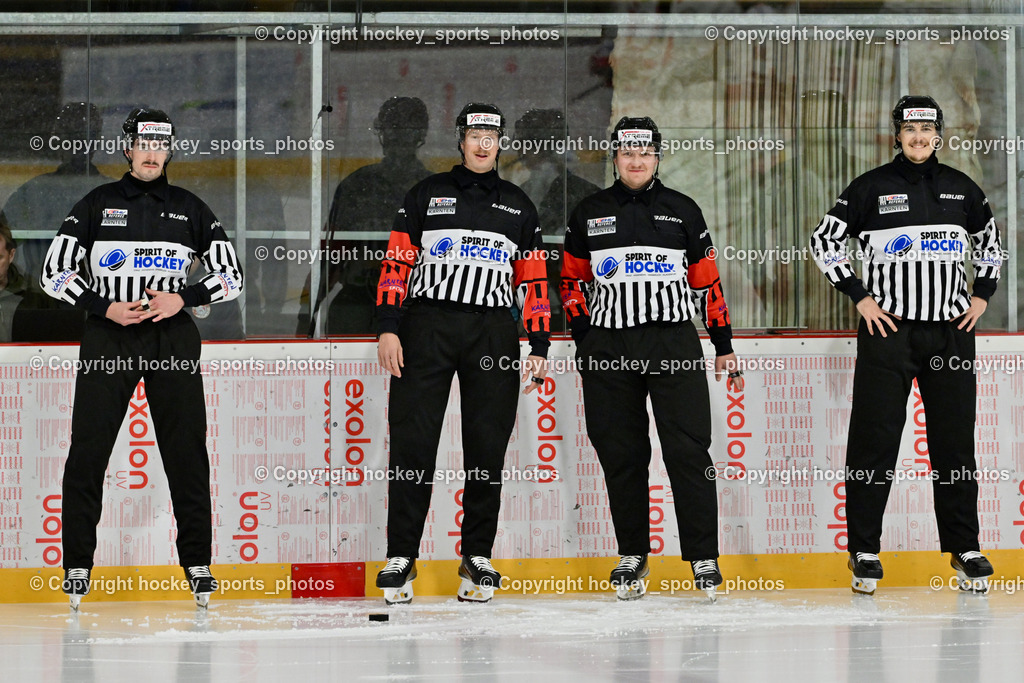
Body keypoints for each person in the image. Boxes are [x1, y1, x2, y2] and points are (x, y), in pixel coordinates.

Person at [40, 108, 244, 610]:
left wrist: (188, 296)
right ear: (126, 147)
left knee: (186, 453)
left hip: (171, 339)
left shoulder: (189, 207)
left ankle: (198, 563)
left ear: (170, 149)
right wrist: (102, 306)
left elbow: (233, 276)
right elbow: (52, 273)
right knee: (88, 451)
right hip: (108, 338)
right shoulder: (96, 203)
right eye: (143, 143)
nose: (152, 152)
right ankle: (77, 566)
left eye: (161, 143)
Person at [810, 95, 1002, 595]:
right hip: (888, 333)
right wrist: (858, 295)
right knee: (874, 442)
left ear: (940, 134)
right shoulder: (871, 187)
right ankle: (865, 551)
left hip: (951, 333)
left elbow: (992, 246)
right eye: (909, 128)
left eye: (927, 128)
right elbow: (823, 240)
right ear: (896, 133)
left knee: (954, 442)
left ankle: (965, 548)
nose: (918, 136)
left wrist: (981, 295)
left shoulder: (963, 189)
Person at [561, 116, 744, 601]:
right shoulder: (589, 212)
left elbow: (708, 283)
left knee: (688, 451)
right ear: (614, 156)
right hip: (609, 348)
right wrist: (587, 340)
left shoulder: (683, 210)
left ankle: (703, 557)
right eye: (627, 152)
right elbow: (571, 284)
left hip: (673, 345)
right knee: (621, 455)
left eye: (644, 152)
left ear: (658, 155)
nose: (636, 160)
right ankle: (633, 555)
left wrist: (723, 345)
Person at [374, 103, 550, 604]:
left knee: (486, 448)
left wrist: (538, 343)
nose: (482, 143)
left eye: (491, 134)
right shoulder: (426, 195)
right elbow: (396, 265)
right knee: (414, 444)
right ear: (459, 138)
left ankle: (477, 557)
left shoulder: (518, 205)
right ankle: (401, 557)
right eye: (474, 133)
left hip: (492, 333)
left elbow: (533, 280)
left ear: (501, 142)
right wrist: (388, 329)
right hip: (425, 326)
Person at [297, 96, 432, 335]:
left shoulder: (432, 190)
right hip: (361, 301)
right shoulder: (358, 184)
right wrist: (307, 312)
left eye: (405, 129)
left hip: (410, 302)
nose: (398, 136)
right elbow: (332, 254)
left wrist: (306, 314)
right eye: (394, 129)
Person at [3, 103, 111, 290]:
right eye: (71, 135)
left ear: (97, 141)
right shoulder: (33, 191)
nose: (78, 143)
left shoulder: (115, 192)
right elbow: (5, 240)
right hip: (42, 297)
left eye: (85, 136)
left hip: (99, 301)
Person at [512, 109, 600, 332]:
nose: (519, 151)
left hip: (570, 301)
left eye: (523, 142)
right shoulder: (522, 192)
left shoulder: (582, 194)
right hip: (543, 299)